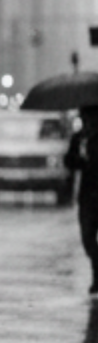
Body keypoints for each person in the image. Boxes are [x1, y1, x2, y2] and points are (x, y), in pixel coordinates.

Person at [65, 105, 98, 294]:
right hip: (86, 195)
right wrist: (80, 159)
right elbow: (69, 161)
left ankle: (96, 278)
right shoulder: (79, 138)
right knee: (87, 237)